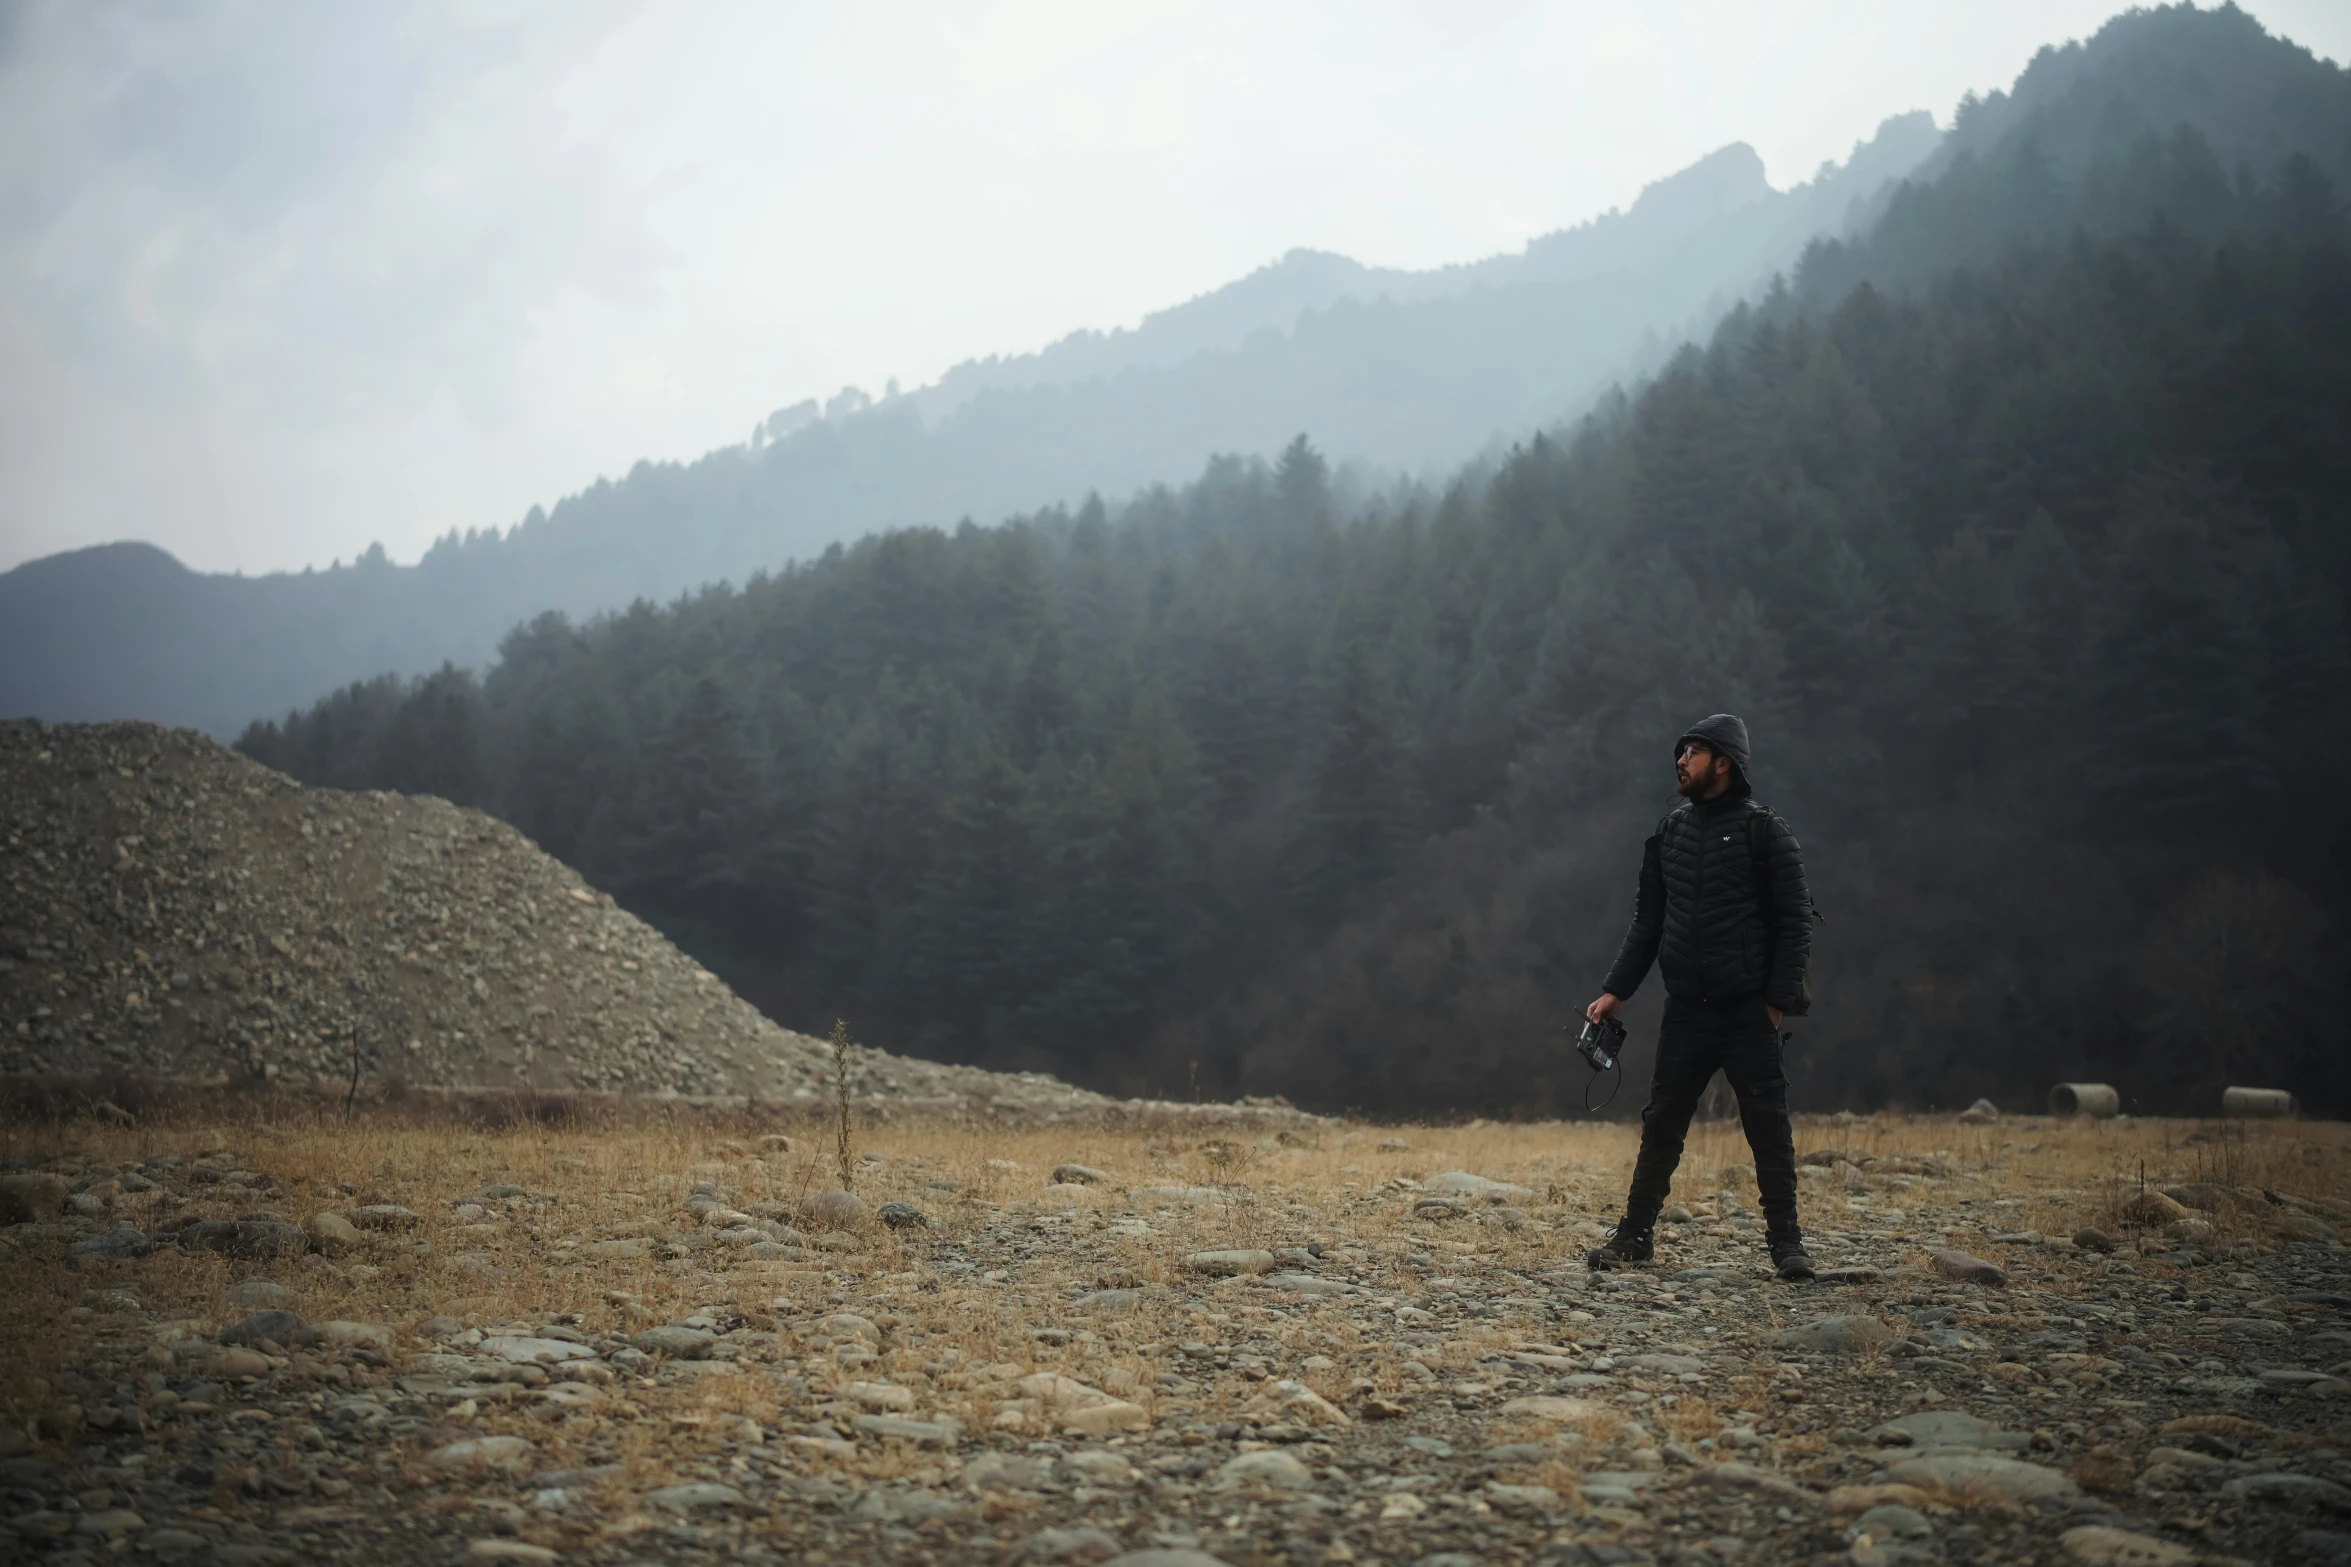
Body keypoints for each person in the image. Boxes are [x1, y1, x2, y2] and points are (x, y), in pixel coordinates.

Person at [1583, 713, 1817, 1281]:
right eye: (1680, 751)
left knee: (1768, 1126)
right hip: (1686, 1008)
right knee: (1662, 1122)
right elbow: (1648, 922)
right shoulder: (1670, 833)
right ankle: (1634, 1238)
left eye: (1691, 751)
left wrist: (1775, 1005)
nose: (1680, 760)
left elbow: (1796, 925)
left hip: (1747, 1010)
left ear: (1724, 762)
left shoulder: (1768, 832)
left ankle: (1787, 1247)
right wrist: (1616, 990)